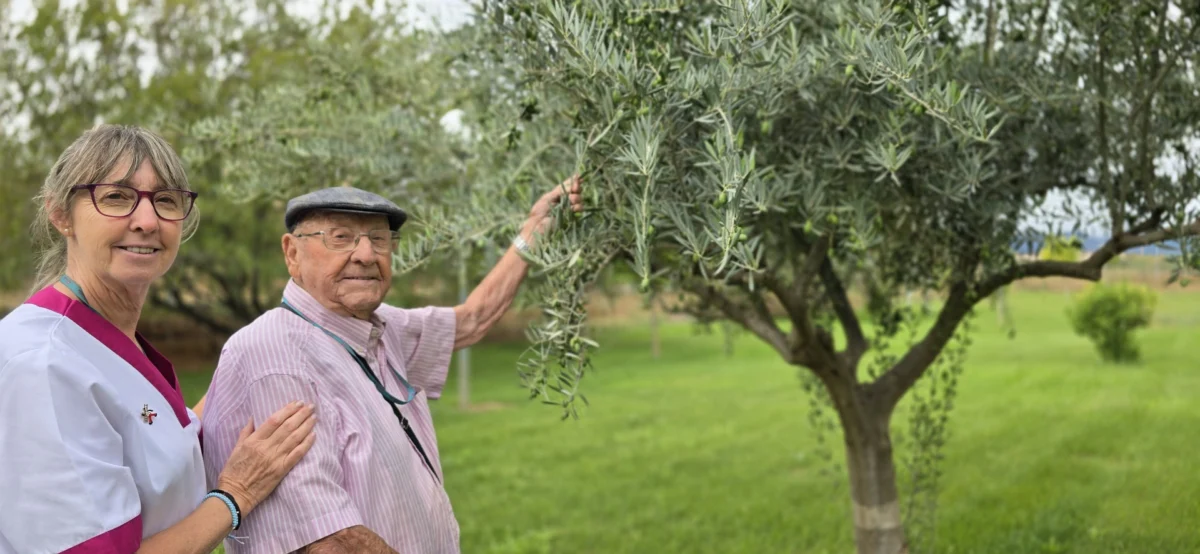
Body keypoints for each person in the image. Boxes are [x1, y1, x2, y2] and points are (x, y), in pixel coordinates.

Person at [200, 177, 584, 553]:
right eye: (341, 237)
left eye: (380, 239)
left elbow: (472, 319)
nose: (367, 255)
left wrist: (536, 229)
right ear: (292, 253)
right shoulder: (276, 354)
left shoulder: (380, 328)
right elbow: (328, 540)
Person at [0, 124, 317, 554]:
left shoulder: (106, 336)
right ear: (61, 215)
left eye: (165, 200)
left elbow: (158, 443)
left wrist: (250, 367)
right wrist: (236, 495)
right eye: (117, 197)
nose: (148, 221)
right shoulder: (43, 365)